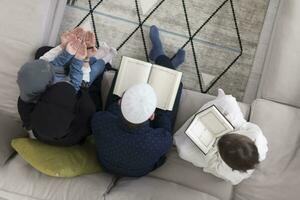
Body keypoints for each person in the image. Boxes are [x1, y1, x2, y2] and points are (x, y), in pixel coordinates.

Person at [91, 25, 186, 177]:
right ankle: (162, 59)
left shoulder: (101, 122)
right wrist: (160, 117)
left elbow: (108, 113)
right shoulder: (159, 142)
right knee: (174, 91)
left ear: (121, 103)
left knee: (119, 86)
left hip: (108, 164)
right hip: (139, 168)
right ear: (151, 116)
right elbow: (165, 127)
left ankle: (164, 62)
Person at [17, 28, 116, 146]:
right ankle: (103, 60)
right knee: (92, 78)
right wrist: (84, 59)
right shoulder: (85, 114)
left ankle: (93, 57)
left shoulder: (26, 101)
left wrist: (64, 48)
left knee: (42, 53)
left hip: (53, 115)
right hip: (82, 102)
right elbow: (82, 85)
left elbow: (51, 66)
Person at [174, 89, 268, 185]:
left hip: (213, 153)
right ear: (250, 140)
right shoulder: (256, 135)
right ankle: (220, 101)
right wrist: (228, 122)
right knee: (229, 101)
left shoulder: (228, 173)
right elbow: (243, 124)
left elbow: (211, 164)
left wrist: (211, 148)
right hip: (233, 128)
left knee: (183, 150)